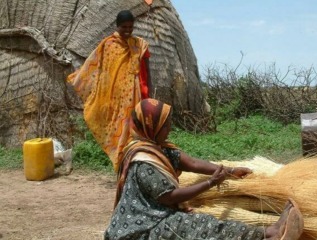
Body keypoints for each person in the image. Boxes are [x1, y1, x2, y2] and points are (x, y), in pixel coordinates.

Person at [104, 98, 304, 240]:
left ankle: (271, 232)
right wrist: (210, 183)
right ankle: (270, 235)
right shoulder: (143, 161)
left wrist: (229, 171)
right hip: (142, 229)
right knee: (205, 226)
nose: (170, 129)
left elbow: (191, 163)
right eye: (166, 125)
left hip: (157, 216)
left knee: (206, 224)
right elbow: (170, 197)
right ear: (151, 126)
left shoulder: (158, 149)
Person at [67, 10, 151, 172]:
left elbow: (147, 72)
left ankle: (135, 167)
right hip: (117, 100)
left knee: (138, 133)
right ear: (117, 26)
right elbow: (101, 70)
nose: (127, 30)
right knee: (120, 133)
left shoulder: (140, 45)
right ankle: (122, 165)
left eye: (130, 27)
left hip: (139, 95)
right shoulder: (108, 45)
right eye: (124, 27)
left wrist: (149, 93)